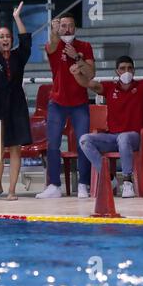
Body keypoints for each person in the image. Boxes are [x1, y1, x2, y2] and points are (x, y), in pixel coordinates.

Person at [71, 55, 143, 197]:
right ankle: (109, 178)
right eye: (122, 68)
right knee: (84, 139)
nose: (126, 71)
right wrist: (77, 73)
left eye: (130, 68)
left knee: (124, 137)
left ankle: (127, 182)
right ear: (116, 71)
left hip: (134, 138)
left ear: (134, 70)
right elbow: (87, 83)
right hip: (112, 138)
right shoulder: (109, 88)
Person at [35, 12, 95, 199]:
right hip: (57, 102)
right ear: (58, 28)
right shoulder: (54, 45)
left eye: (70, 25)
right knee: (52, 143)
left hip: (79, 103)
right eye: (63, 26)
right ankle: (54, 185)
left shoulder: (85, 46)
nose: (67, 29)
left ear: (75, 28)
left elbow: (91, 73)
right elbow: (52, 45)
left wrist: (77, 57)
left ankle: (84, 184)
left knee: (83, 143)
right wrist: (53, 31)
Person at [0, 0, 32, 201]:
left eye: (8, 36)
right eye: (1, 36)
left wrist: (17, 18)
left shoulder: (19, 56)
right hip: (0, 103)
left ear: (11, 40)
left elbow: (26, 39)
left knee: (16, 147)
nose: (5, 39)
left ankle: (12, 190)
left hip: (17, 102)